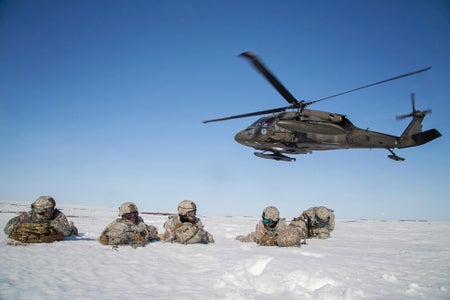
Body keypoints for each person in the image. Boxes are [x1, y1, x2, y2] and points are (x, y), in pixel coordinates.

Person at [4, 196, 78, 243]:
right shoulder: (30, 214)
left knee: (72, 230)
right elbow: (7, 228)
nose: (47, 213)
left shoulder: (58, 215)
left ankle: (73, 227)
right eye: (46, 211)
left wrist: (51, 224)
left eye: (49, 210)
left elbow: (66, 232)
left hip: (68, 228)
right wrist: (23, 226)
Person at [236, 206, 301, 247]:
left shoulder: (282, 225)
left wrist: (274, 241)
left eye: (267, 221)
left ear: (273, 221)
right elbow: (257, 238)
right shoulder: (261, 224)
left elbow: (293, 238)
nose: (265, 222)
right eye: (264, 219)